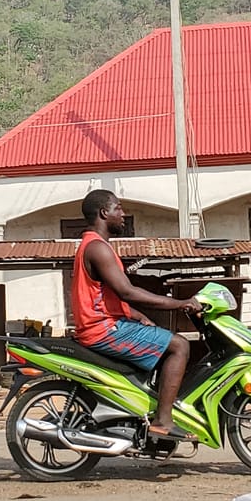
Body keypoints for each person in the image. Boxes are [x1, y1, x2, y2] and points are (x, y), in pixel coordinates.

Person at [71, 189, 202, 441]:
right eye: (118, 208)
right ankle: (163, 420)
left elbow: (104, 298)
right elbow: (127, 292)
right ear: (103, 213)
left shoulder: (92, 245)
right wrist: (180, 303)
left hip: (103, 323)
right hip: (103, 330)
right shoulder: (98, 248)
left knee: (160, 338)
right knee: (179, 346)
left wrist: (137, 315)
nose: (123, 214)